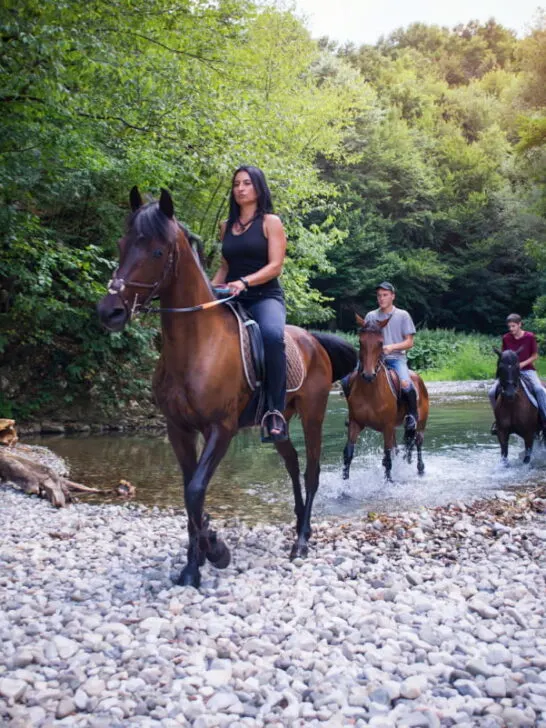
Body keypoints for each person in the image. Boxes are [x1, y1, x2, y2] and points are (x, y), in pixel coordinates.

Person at [211, 165, 288, 443]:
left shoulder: (271, 222)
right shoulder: (225, 227)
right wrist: (210, 290)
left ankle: (275, 411)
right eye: (236, 184)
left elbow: (275, 266)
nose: (240, 188)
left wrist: (245, 281)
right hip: (231, 297)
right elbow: (224, 266)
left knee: (271, 336)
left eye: (246, 183)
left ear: (258, 188)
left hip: (264, 297)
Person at [342, 282, 418, 431]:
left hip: (396, 358)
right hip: (373, 358)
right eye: (379, 296)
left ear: (392, 296)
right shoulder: (371, 316)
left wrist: (392, 347)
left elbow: (409, 342)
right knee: (346, 380)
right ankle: (352, 412)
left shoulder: (403, 315)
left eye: (385, 295)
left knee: (406, 384)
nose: (381, 298)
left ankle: (411, 416)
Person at [489, 313, 546, 435]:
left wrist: (521, 364)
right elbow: (504, 357)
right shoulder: (506, 338)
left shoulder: (530, 337)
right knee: (491, 392)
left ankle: (544, 418)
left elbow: (535, 356)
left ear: (520, 324)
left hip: (528, 370)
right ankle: (498, 420)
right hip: (510, 373)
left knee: (539, 390)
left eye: (513, 326)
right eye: (509, 327)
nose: (511, 329)